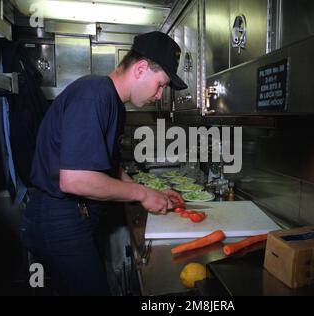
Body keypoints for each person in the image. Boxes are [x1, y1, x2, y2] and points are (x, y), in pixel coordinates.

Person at [20, 31, 188, 296]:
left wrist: (146, 195)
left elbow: (109, 165)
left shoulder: (112, 103)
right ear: (141, 69)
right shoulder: (95, 94)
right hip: (58, 218)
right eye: (161, 84)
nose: (159, 94)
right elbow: (75, 179)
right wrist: (142, 193)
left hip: (72, 216)